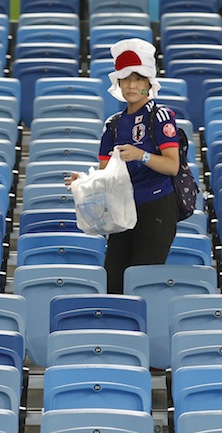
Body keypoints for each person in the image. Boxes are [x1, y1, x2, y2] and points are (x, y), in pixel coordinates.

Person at [66, 38, 181, 294]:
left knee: (141, 283)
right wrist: (83, 181)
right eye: (126, 78)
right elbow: (107, 175)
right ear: (117, 83)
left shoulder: (161, 116)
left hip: (156, 208)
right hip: (121, 211)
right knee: (114, 283)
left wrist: (141, 155)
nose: (131, 84)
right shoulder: (113, 124)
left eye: (138, 78)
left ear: (149, 83)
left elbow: (172, 166)